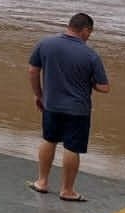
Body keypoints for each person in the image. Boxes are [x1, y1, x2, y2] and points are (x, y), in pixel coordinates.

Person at [28, 12, 111, 202]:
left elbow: (33, 70)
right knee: (72, 148)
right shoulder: (90, 55)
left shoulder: (46, 43)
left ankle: (41, 182)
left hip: (51, 104)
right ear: (85, 30)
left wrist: (39, 94)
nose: (89, 37)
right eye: (90, 33)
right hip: (78, 109)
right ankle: (67, 190)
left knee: (49, 140)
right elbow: (104, 87)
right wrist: (90, 81)